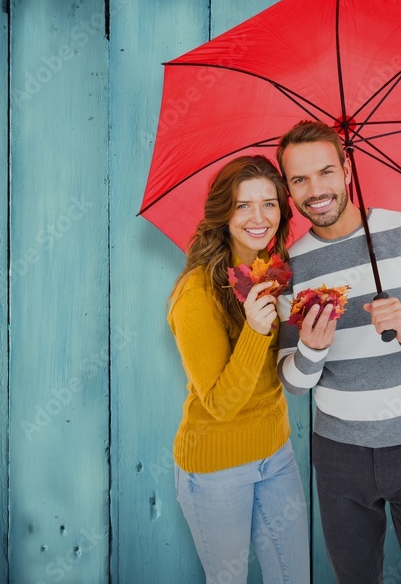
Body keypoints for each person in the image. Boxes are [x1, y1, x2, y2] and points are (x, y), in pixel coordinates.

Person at [275, 120, 401, 583]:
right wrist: (310, 349)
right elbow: (292, 382)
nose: (316, 190)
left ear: (347, 168)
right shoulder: (290, 268)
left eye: (326, 171)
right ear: (288, 188)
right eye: (300, 180)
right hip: (338, 458)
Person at [168, 155, 310, 584]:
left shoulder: (274, 274)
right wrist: (253, 329)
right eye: (243, 205)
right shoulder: (196, 294)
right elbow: (222, 404)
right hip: (216, 467)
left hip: (277, 456)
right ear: (222, 213)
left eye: (269, 203)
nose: (258, 217)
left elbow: (283, 372)